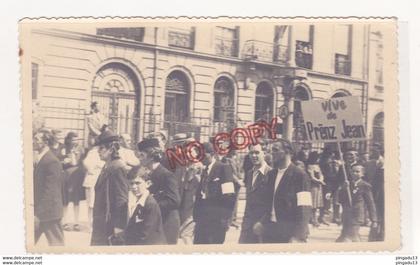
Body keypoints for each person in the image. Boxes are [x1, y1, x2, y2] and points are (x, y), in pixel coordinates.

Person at [252, 138, 312, 243]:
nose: (272, 153)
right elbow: (269, 203)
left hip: (289, 232)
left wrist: (298, 236)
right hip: (270, 230)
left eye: (275, 150)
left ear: (287, 152)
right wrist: (261, 222)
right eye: (271, 150)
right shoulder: (271, 174)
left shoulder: (300, 175)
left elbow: (304, 207)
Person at [136, 138, 181, 244]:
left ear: (151, 156)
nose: (139, 159)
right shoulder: (146, 174)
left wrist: (151, 206)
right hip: (154, 220)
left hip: (167, 222)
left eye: (142, 155)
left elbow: (174, 201)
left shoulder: (166, 175)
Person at [91, 130, 129, 246]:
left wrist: (119, 227)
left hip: (109, 225)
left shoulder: (117, 167)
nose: (98, 151)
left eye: (101, 148)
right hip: (101, 223)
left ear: (111, 149)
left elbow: (121, 199)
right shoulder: (107, 165)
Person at [193, 142, 236, 244]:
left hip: (217, 221)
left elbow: (229, 196)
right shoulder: (205, 170)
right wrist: (196, 216)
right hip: (202, 220)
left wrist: (225, 219)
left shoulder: (223, 168)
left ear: (211, 154)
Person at [33, 129, 64, 246]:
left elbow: (51, 191)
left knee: (57, 246)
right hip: (41, 211)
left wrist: (38, 214)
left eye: (36, 139)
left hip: (49, 213)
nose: (33, 142)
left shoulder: (52, 161)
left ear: (45, 142)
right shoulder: (41, 157)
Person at [124, 166, 167, 245]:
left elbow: (146, 235)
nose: (134, 187)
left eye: (137, 183)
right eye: (131, 183)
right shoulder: (140, 202)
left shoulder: (150, 204)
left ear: (148, 183)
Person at [239, 144, 272, 244]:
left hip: (263, 226)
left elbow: (273, 203)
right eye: (251, 153)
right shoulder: (249, 173)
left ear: (264, 153)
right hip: (247, 226)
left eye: (257, 153)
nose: (254, 156)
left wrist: (262, 222)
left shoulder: (271, 173)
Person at [336, 164, 378, 242]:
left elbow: (370, 203)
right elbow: (340, 200)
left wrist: (374, 219)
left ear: (362, 173)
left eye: (357, 171)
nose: (354, 173)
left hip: (357, 215)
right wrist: (343, 189)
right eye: (353, 171)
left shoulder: (365, 185)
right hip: (347, 214)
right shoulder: (347, 184)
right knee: (347, 236)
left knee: (349, 237)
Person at [62, 132, 86, 232]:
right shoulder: (64, 148)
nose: (75, 142)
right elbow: (64, 161)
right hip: (67, 175)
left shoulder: (80, 149)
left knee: (76, 200)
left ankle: (76, 223)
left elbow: (76, 162)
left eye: (77, 139)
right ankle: (65, 222)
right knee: (65, 200)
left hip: (77, 176)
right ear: (68, 140)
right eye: (73, 140)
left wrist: (73, 154)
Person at [82, 144, 105, 229]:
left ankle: (98, 224)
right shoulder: (93, 152)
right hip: (92, 181)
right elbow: (86, 163)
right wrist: (94, 167)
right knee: (91, 204)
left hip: (101, 180)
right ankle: (90, 224)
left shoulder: (106, 152)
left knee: (100, 203)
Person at [306, 151, 325, 228]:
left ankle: (314, 218)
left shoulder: (317, 166)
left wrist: (321, 179)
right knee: (313, 203)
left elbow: (321, 174)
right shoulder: (310, 166)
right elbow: (312, 177)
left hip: (319, 186)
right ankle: (313, 219)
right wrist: (319, 181)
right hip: (313, 186)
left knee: (317, 204)